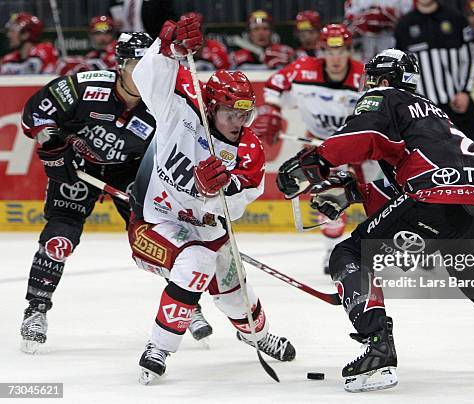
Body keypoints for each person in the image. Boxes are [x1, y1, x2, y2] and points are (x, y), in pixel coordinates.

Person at [276, 49, 474, 392]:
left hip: (436, 200)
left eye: (371, 81)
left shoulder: (385, 97)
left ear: (383, 80)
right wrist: (357, 193)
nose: (367, 88)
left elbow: (364, 138)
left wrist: (314, 162)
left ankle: (378, 348)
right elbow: (414, 189)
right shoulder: (434, 116)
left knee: (350, 255)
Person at [128, 16, 295, 384]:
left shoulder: (248, 150)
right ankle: (159, 347)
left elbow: (239, 204)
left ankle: (257, 336)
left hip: (206, 229)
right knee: (196, 262)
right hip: (153, 222)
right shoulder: (183, 103)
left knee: (238, 297)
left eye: (245, 113)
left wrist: (215, 194)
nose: (240, 121)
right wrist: (166, 48)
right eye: (232, 113)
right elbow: (146, 76)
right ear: (213, 106)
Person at [19, 32, 156, 354]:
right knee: (59, 237)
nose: (148, 74)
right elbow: (34, 115)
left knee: (155, 236)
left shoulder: (165, 102)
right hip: (78, 165)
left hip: (130, 170)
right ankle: (36, 310)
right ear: (121, 66)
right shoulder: (85, 86)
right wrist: (52, 145)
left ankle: (186, 303)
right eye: (139, 65)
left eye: (154, 66)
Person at [252, 23, 365, 274]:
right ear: (321, 50)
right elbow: (273, 85)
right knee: (327, 196)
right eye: (329, 51)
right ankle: (333, 250)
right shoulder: (303, 70)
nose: (335, 58)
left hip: (359, 142)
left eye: (341, 51)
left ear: (349, 51)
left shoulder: (362, 78)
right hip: (321, 142)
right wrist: (272, 110)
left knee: (378, 194)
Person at [395, 0, 474, 156]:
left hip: (457, 104)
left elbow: (469, 58)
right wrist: (411, 100)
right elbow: (401, 67)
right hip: (424, 109)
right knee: (431, 159)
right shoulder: (404, 25)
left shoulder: (456, 18)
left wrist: (465, 91)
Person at [344, 0, 413, 63]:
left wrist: (390, 16)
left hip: (391, 39)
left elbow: (411, 18)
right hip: (364, 42)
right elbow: (349, 23)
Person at [109, 0, 177, 38]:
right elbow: (110, 13)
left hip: (151, 38)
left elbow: (170, 18)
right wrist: (113, 23)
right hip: (124, 38)